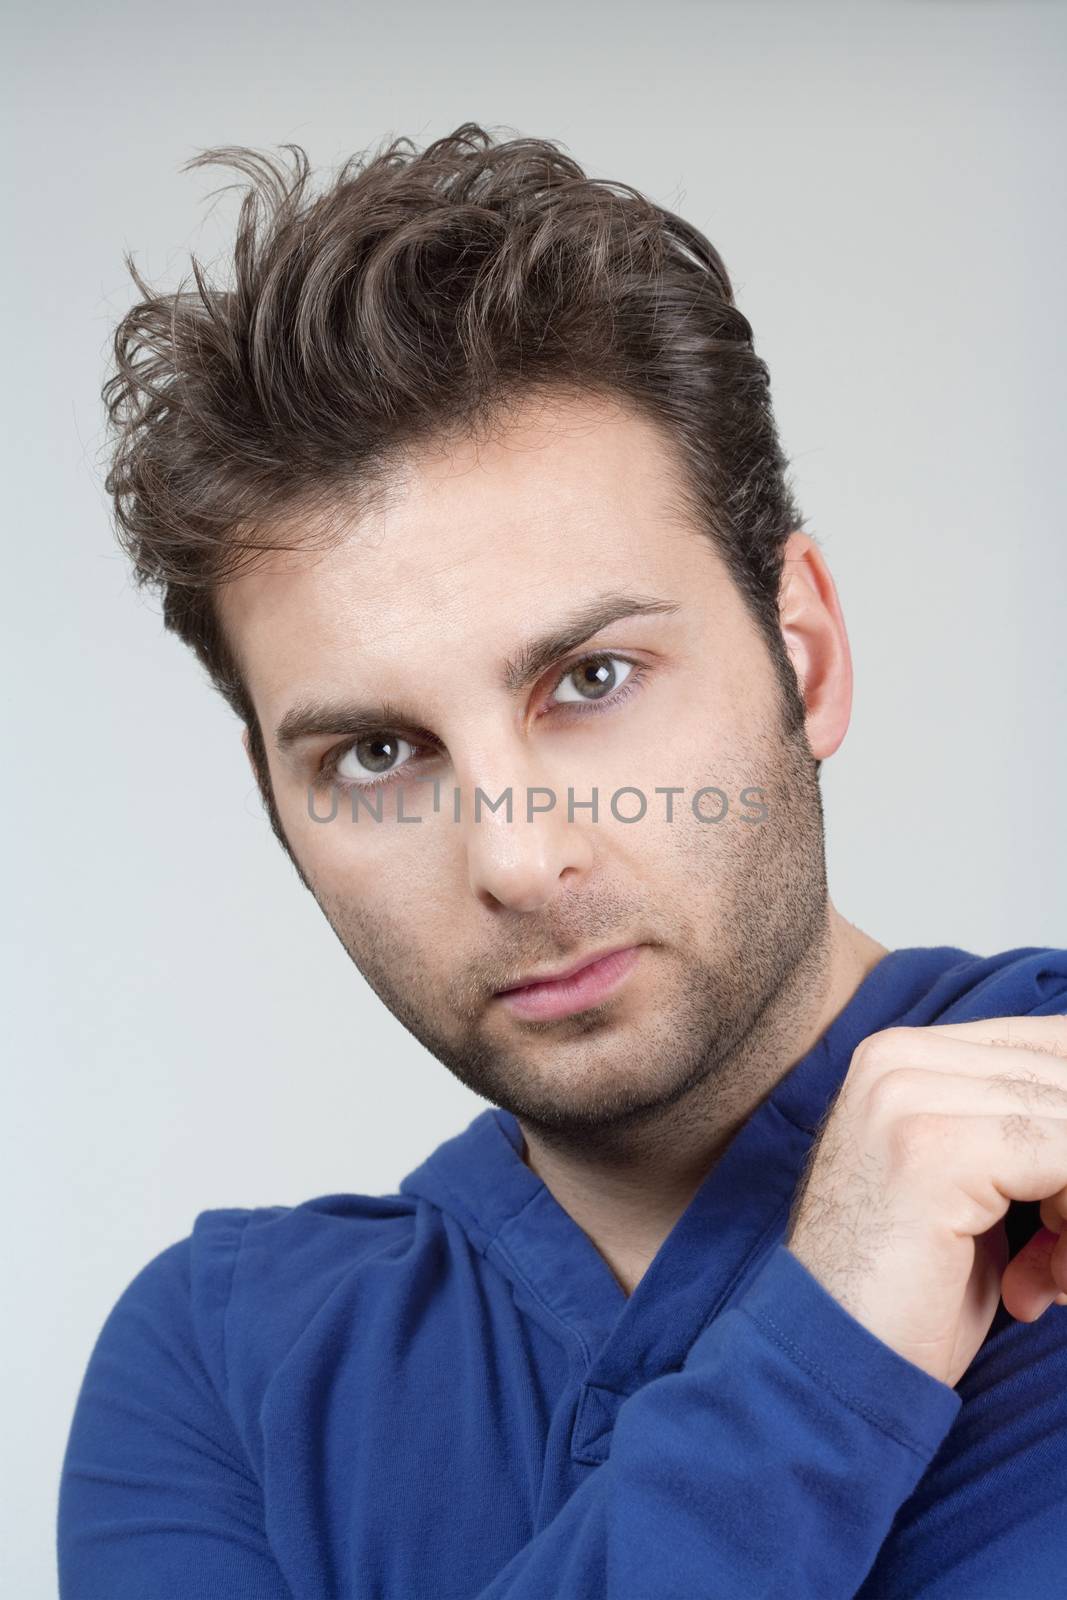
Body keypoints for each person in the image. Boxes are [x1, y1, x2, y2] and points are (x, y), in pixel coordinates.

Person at [57, 123, 1067, 1598]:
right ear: (283, 811)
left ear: (808, 653)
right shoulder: (223, 1377)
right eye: (377, 756)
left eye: (590, 682)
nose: (518, 862)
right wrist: (828, 1346)